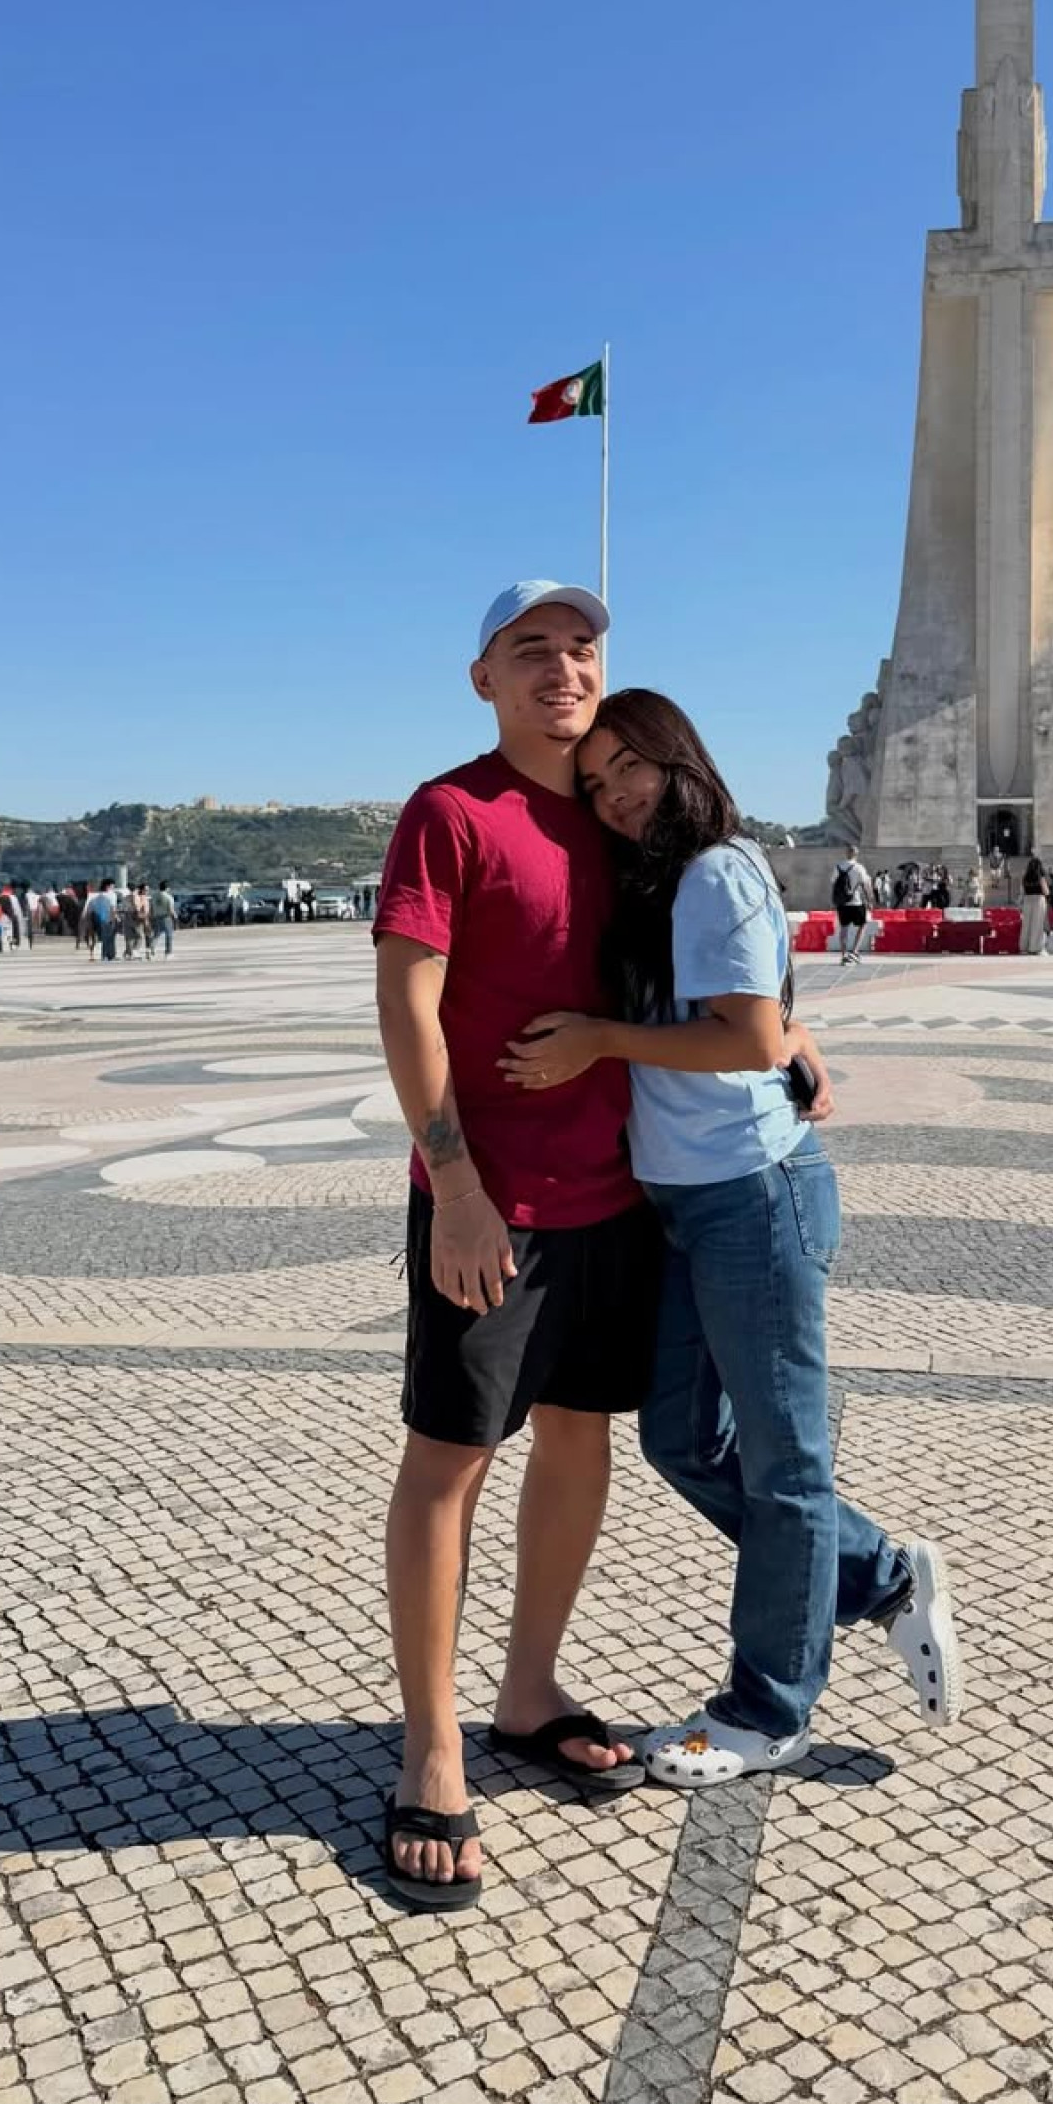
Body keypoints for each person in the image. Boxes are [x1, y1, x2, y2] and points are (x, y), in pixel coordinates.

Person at [504, 689, 959, 1787]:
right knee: (681, 1439)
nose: (614, 794)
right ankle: (877, 1574)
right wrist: (795, 1034)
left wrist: (602, 1042)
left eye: (631, 770)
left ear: (679, 761)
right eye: (597, 780)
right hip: (686, 1202)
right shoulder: (660, 879)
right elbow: (767, 1020)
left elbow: (748, 1031)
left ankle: (769, 1707)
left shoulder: (716, 866)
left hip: (754, 1193)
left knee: (784, 1459)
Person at [371, 581, 660, 1912]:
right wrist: (456, 1183)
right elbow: (407, 1003)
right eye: (531, 650)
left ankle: (526, 1690)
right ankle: (433, 1751)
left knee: (582, 1438)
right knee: (451, 1461)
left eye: (581, 647)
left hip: (616, 1196)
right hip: (492, 1196)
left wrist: (790, 1032)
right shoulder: (451, 812)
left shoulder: (622, 815)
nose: (563, 668)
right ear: (482, 679)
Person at [830, 849, 873, 965]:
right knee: (862, 925)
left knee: (844, 928)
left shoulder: (838, 866)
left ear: (846, 853)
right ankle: (854, 951)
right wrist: (870, 901)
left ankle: (844, 955)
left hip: (843, 903)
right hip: (857, 902)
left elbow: (833, 882)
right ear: (856, 855)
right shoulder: (859, 868)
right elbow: (865, 885)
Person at [1020, 854, 1047, 955]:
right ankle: (1035, 947)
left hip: (1027, 899)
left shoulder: (1025, 876)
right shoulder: (1040, 876)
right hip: (1038, 899)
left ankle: (1024, 947)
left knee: (1026, 924)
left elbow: (1022, 890)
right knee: (1037, 924)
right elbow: (1046, 891)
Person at [153, 883, 177, 957]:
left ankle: (151, 949)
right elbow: (170, 909)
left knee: (156, 935)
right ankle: (168, 952)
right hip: (166, 917)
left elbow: (152, 906)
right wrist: (175, 916)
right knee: (169, 934)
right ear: (167, 888)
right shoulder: (168, 897)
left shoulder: (155, 896)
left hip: (156, 916)